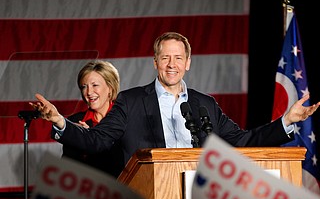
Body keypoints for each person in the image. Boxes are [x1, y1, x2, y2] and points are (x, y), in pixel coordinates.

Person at [31, 32, 320, 166]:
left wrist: (286, 121)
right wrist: (59, 120)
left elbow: (241, 141)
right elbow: (96, 141)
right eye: (165, 58)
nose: (172, 64)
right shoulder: (130, 102)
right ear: (155, 62)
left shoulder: (205, 104)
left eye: (178, 58)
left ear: (188, 63)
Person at [56, 60, 124, 177]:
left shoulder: (125, 117)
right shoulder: (75, 121)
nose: (88, 92)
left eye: (95, 85)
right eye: (84, 87)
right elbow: (68, 168)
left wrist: (89, 137)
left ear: (110, 88)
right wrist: (80, 138)